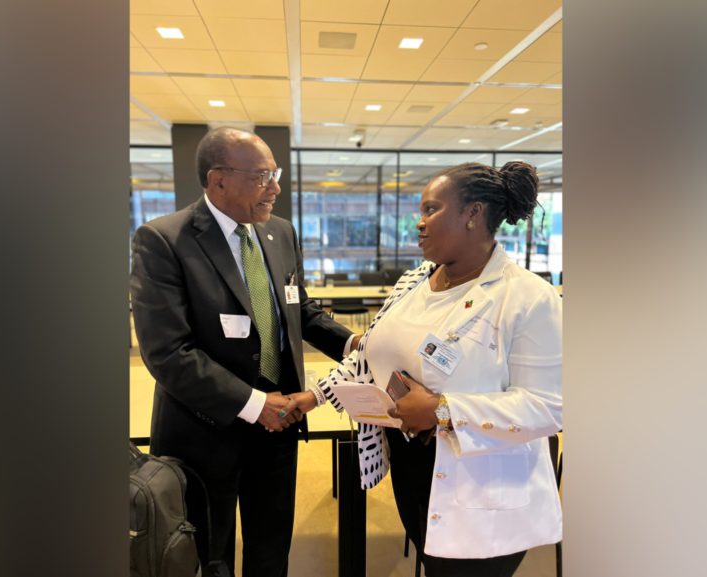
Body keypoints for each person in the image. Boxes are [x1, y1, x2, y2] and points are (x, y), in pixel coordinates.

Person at [294, 161, 562, 576]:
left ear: (473, 214)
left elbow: (550, 405)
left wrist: (443, 410)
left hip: (481, 488)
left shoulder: (529, 297)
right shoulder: (414, 282)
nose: (418, 223)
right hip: (413, 470)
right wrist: (314, 396)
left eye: (431, 210)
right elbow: (367, 353)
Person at [130, 127, 358, 577]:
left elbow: (299, 309)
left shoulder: (280, 232)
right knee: (209, 555)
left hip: (279, 425)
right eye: (262, 177)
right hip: (204, 431)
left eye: (275, 175)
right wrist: (255, 405)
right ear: (219, 180)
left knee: (271, 548)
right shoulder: (164, 240)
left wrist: (355, 343)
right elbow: (169, 353)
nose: (275, 188)